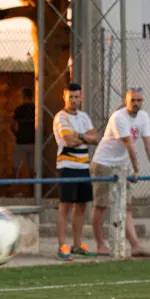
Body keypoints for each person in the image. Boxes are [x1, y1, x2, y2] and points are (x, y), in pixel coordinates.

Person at [89, 88, 150, 257]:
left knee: (127, 206)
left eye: (139, 100)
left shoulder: (144, 117)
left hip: (122, 165)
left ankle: (136, 245)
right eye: (133, 100)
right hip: (104, 163)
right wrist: (137, 170)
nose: (136, 104)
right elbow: (129, 144)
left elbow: (148, 144)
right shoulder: (119, 117)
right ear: (126, 100)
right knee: (100, 205)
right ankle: (100, 244)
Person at [52, 83, 99, 261]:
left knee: (81, 206)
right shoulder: (60, 117)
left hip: (83, 166)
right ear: (64, 97)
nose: (73, 100)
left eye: (76, 97)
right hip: (67, 166)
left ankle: (77, 245)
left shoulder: (84, 117)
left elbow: (95, 138)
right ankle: (62, 246)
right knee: (65, 206)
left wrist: (79, 136)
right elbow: (68, 140)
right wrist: (84, 137)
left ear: (81, 98)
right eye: (70, 97)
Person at [11, 88, 35, 181]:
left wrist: (17, 135)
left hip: (20, 142)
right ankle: (34, 190)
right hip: (33, 141)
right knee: (33, 169)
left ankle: (14, 188)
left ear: (23, 96)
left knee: (16, 167)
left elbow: (12, 126)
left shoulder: (19, 109)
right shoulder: (35, 109)